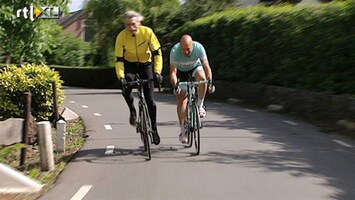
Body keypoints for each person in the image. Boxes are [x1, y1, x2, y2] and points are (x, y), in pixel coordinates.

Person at [115, 10, 163, 145]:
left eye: (134, 24)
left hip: (145, 64)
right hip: (129, 64)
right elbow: (119, 59)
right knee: (126, 86)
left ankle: (153, 128)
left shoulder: (147, 32)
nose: (131, 27)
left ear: (139, 23)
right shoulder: (121, 36)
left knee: (150, 100)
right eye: (128, 25)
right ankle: (132, 109)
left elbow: (157, 54)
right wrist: (121, 76)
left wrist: (157, 73)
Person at [169, 35, 213, 144]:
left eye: (188, 49)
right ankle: (183, 130)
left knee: (202, 79)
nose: (186, 52)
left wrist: (210, 81)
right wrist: (176, 86)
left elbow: (206, 66)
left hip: (195, 68)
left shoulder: (199, 48)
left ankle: (200, 105)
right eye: (183, 49)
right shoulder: (175, 51)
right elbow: (173, 73)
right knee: (182, 99)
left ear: (192, 45)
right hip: (181, 72)